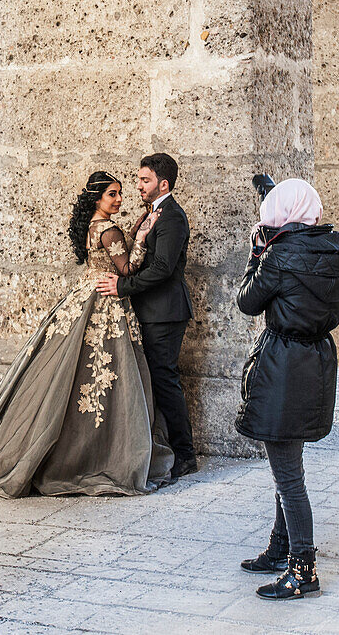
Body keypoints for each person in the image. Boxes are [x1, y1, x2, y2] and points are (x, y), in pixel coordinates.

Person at [0, 171, 174, 497]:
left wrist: (133, 231)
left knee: (73, 371)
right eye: (112, 194)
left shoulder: (94, 225)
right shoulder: (109, 230)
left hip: (85, 294)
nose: (119, 199)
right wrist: (145, 237)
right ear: (97, 199)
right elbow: (127, 269)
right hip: (106, 302)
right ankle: (104, 452)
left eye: (120, 193)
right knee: (107, 374)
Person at [235, 178, 339, 600]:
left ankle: (302, 569)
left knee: (288, 475)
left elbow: (247, 302)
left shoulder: (280, 255)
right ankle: (280, 547)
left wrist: (258, 253)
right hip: (318, 358)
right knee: (287, 462)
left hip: (284, 363)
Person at [96, 153, 197, 481]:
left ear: (163, 184)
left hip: (165, 313)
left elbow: (163, 269)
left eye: (145, 180)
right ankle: (158, 446)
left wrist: (123, 286)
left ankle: (185, 455)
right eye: (138, 180)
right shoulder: (152, 213)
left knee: (165, 381)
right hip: (150, 310)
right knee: (154, 380)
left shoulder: (172, 218)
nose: (138, 185)